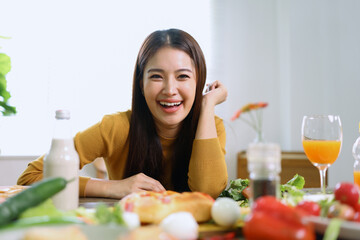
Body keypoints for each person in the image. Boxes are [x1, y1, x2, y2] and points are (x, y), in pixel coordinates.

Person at [17, 28, 228, 199]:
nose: (170, 89)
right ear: (141, 83)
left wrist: (207, 105)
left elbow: (208, 192)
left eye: (183, 76)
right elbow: (30, 177)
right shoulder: (116, 127)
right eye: (156, 76)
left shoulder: (210, 126)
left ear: (199, 82)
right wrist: (113, 187)